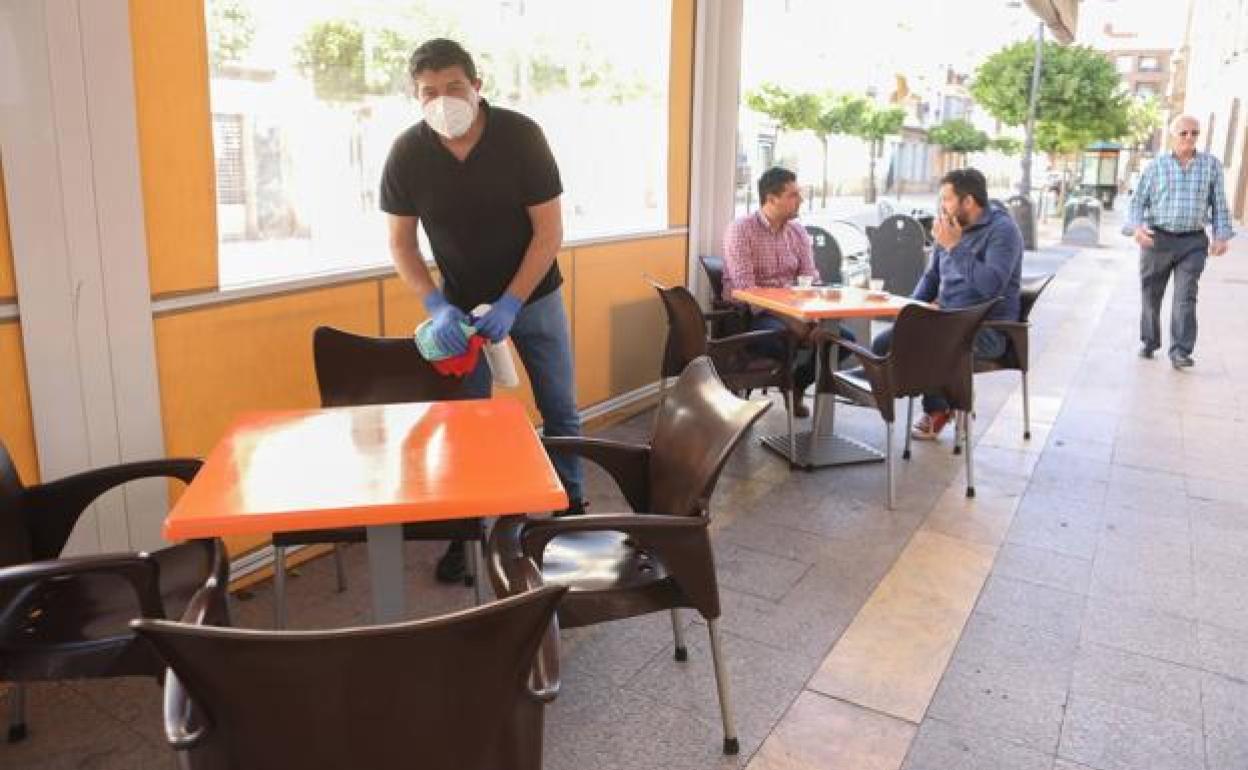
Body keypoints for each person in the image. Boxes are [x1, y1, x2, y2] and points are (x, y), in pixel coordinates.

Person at [380, 38, 583, 584]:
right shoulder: (407, 153)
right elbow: (401, 243)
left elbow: (549, 232)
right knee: (466, 424)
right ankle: (465, 534)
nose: (442, 100)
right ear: (414, 95)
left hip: (534, 297)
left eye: (453, 88)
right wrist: (434, 304)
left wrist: (516, 300)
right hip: (460, 309)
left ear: (477, 86)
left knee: (559, 408)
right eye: (428, 92)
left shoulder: (521, 137)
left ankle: (571, 512)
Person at [870, 167, 1022, 440]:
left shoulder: (1003, 231)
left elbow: (992, 285)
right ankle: (954, 392)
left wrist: (954, 247)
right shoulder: (950, 225)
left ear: (968, 202)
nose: (942, 206)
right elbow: (931, 278)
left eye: (947, 199)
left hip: (987, 328)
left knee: (929, 343)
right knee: (884, 344)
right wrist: (908, 311)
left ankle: (939, 408)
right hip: (946, 321)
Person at [721, 167, 855, 417]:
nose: (801, 200)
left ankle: (796, 384)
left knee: (844, 341)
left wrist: (814, 318)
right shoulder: (741, 230)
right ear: (771, 199)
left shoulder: (798, 231)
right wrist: (793, 322)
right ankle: (787, 382)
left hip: (797, 311)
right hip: (754, 314)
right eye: (793, 195)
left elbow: (811, 279)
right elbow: (745, 290)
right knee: (784, 339)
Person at [1124, 114, 1234, 369]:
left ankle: (1181, 351)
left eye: (1194, 133)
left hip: (1192, 243)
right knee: (1152, 296)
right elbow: (1137, 202)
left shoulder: (1211, 165)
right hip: (1157, 239)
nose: (1189, 138)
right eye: (1184, 133)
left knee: (1186, 296)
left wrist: (1221, 235)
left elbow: (1219, 204)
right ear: (1172, 135)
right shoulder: (1156, 166)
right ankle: (1150, 341)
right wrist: (1137, 229)